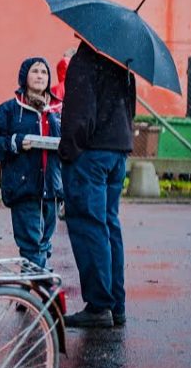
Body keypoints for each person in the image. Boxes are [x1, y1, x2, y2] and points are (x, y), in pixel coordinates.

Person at [58, 40, 135, 329]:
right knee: (109, 225)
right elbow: (131, 110)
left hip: (90, 154)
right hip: (118, 151)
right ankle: (116, 306)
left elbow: (79, 115)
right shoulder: (122, 61)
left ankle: (99, 306)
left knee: (89, 226)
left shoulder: (85, 60)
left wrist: (68, 152)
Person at [0, 57, 63, 268]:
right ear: (24, 76)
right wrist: (17, 142)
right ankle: (36, 294)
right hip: (23, 189)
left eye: (44, 72)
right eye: (35, 71)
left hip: (52, 190)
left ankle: (29, 297)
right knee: (32, 247)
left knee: (43, 245)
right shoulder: (9, 110)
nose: (40, 75)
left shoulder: (59, 111)